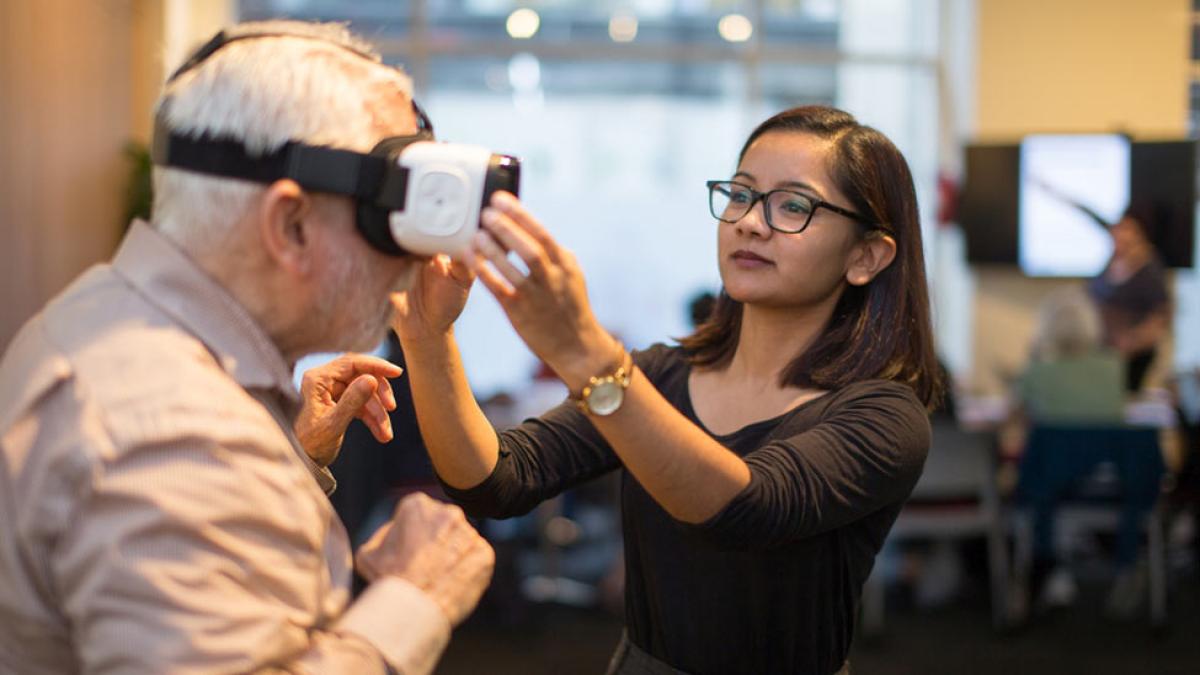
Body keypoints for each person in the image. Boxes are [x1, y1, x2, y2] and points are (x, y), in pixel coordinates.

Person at [0, 21, 493, 674]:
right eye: (386, 219)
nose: (413, 262)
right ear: (290, 226)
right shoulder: (181, 433)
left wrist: (283, 453)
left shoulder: (103, 313)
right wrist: (414, 598)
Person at [393, 105, 938, 674]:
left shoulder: (884, 415)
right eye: (741, 195)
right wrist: (428, 338)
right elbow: (495, 482)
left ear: (866, 255)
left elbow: (747, 510)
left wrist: (589, 356)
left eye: (794, 206)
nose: (751, 222)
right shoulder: (660, 376)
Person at [1011, 289, 1163, 619]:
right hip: (1112, 488)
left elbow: (1015, 419)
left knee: (1038, 474)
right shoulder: (1113, 368)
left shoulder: (1038, 372)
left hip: (1054, 490)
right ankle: (1122, 569)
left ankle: (1048, 570)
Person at [1086, 212, 1171, 392]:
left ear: (1139, 234)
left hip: (1132, 356)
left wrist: (1131, 343)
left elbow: (1160, 318)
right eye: (1117, 229)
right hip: (1102, 351)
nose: (1119, 235)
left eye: (1126, 230)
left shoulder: (1150, 271)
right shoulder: (1111, 262)